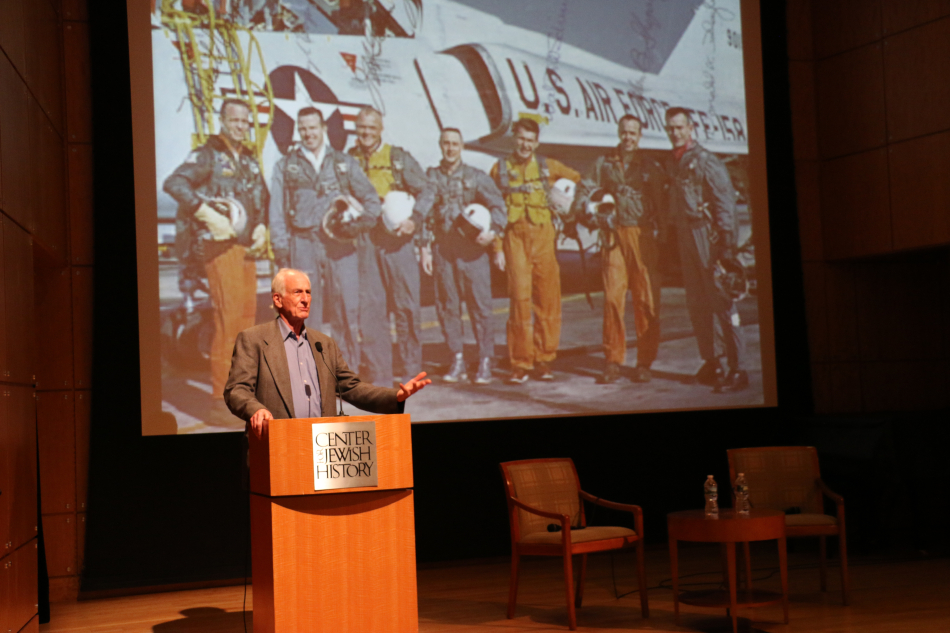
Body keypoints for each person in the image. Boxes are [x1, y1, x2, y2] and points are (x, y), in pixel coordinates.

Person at [224, 268, 431, 438]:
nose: (305, 299)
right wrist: (255, 409)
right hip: (276, 446)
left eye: (308, 292)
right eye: (297, 292)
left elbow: (351, 387)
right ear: (278, 300)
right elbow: (236, 390)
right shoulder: (254, 339)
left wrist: (395, 396)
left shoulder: (323, 344)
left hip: (323, 447)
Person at [163, 98, 269, 411]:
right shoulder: (207, 154)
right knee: (229, 319)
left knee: (246, 320)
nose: (240, 127)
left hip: (246, 247)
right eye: (234, 120)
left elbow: (262, 195)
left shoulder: (248, 159)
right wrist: (205, 212)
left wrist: (261, 224)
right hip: (219, 247)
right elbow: (174, 183)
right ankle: (220, 400)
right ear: (222, 120)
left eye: (245, 122)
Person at [268, 107, 381, 370]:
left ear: (323, 128)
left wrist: (358, 225)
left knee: (347, 307)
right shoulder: (286, 166)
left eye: (313, 128)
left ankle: (347, 370)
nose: (308, 133)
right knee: (304, 311)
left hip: (339, 245)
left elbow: (371, 199)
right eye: (303, 129)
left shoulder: (343, 163)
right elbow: (277, 211)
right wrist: (281, 249)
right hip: (303, 243)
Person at [490, 118, 580, 383]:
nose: (525, 145)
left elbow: (578, 181)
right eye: (521, 138)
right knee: (519, 300)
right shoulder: (500, 169)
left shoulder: (548, 166)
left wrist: (568, 209)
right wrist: (497, 247)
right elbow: (494, 208)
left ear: (537, 142)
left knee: (547, 299)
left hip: (543, 237)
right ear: (513, 139)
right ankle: (520, 362)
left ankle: (544, 359)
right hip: (515, 238)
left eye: (530, 140)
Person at [664, 107, 747, 391]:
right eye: (670, 128)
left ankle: (739, 368)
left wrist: (726, 246)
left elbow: (725, 203)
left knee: (722, 301)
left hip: (707, 236)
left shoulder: (706, 161)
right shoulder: (675, 162)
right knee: (697, 303)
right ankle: (713, 362)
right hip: (686, 235)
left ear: (691, 128)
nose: (675, 133)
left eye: (680, 127)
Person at [415, 128, 507, 384]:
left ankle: (485, 359)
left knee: (480, 306)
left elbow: (498, 205)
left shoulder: (476, 177)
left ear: (462, 146)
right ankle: (457, 358)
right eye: (446, 143)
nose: (450, 148)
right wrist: (424, 248)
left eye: (455, 144)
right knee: (447, 306)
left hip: (472, 252)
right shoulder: (432, 177)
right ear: (440, 145)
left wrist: (493, 232)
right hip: (444, 251)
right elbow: (423, 212)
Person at [576, 115, 663, 384]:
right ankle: (613, 360)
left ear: (640, 135)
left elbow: (661, 202)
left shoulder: (649, 167)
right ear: (618, 132)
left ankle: (644, 362)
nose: (628, 137)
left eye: (633, 133)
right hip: (612, 235)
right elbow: (584, 188)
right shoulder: (604, 163)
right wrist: (589, 215)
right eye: (624, 132)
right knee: (613, 298)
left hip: (641, 235)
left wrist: (663, 236)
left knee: (645, 300)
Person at [348, 107, 429, 387]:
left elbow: (427, 190)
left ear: (381, 129)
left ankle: (411, 371)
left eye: (372, 128)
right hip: (366, 241)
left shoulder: (398, 158)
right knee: (371, 309)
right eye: (362, 127)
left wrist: (414, 220)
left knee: (406, 305)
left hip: (397, 240)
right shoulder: (348, 159)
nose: (366, 133)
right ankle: (379, 373)